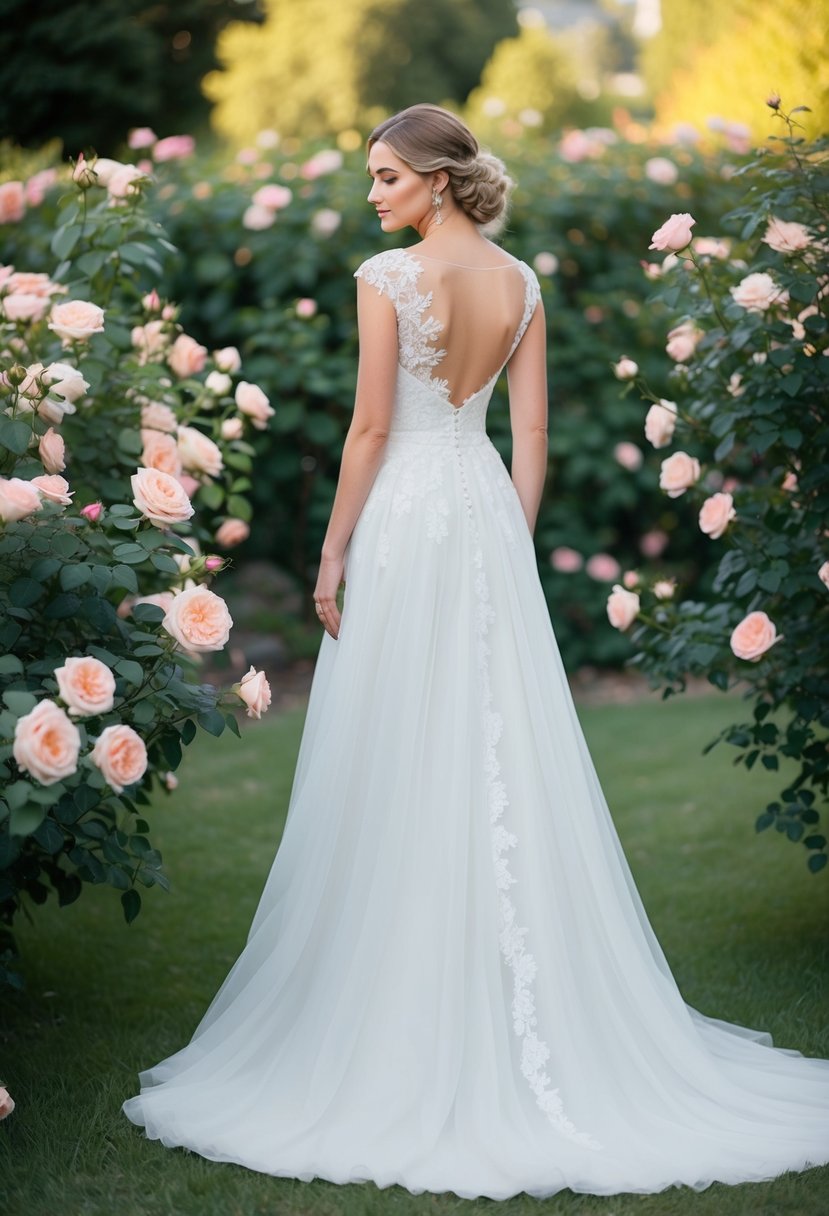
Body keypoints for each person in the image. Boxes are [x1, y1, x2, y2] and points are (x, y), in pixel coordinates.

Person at [123, 103, 829, 1200]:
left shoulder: (385, 276)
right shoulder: (523, 282)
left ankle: (405, 995)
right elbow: (530, 433)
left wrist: (329, 549)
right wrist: (509, 525)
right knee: (496, 742)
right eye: (372, 179)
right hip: (483, 513)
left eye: (389, 177)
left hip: (406, 515)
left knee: (404, 745)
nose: (373, 196)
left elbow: (366, 430)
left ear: (440, 182)